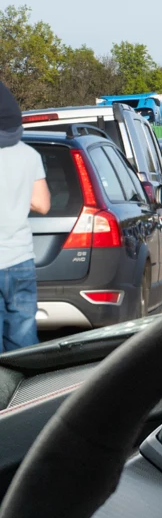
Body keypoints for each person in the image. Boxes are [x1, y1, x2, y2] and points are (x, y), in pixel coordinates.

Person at [0, 81, 50, 352]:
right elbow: (42, 204)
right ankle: (25, 392)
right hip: (19, 260)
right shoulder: (29, 155)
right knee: (23, 341)